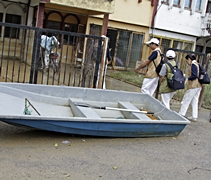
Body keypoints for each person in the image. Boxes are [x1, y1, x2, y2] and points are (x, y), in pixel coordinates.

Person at [178, 54, 202, 122]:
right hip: (198, 85)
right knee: (194, 101)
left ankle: (181, 114)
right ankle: (194, 116)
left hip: (193, 85)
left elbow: (195, 75)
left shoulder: (193, 64)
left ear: (189, 59)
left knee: (186, 99)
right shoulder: (197, 64)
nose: (187, 62)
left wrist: (188, 78)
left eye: (186, 61)